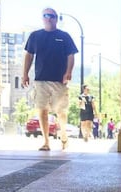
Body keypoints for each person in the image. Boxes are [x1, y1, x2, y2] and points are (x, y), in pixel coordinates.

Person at [22, 7, 78, 151]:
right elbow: (29, 55)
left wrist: (68, 72)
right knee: (42, 110)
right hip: (40, 79)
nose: (49, 18)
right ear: (42, 18)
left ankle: (64, 135)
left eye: (52, 16)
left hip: (59, 80)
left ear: (56, 19)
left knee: (61, 111)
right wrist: (25, 74)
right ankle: (46, 141)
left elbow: (71, 55)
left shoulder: (64, 36)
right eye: (46, 15)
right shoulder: (35, 36)